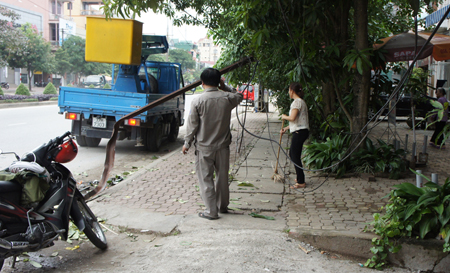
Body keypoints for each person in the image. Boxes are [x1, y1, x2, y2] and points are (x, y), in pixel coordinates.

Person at [182, 68, 243, 220]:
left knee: (206, 179)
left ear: (202, 82)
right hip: (223, 147)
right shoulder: (227, 98)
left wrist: (187, 143)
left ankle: (211, 211)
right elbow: (239, 95)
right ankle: (222, 207)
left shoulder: (198, 101)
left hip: (204, 148)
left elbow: (192, 125)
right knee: (222, 177)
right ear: (219, 81)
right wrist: (224, 87)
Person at [280, 82, 309, 189]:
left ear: (292, 91)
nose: (288, 92)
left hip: (299, 132)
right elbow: (297, 121)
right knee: (294, 155)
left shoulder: (297, 102)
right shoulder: (301, 102)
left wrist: (284, 116)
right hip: (301, 130)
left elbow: (292, 118)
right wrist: (286, 128)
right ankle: (299, 177)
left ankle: (301, 181)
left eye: (289, 90)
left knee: (294, 156)